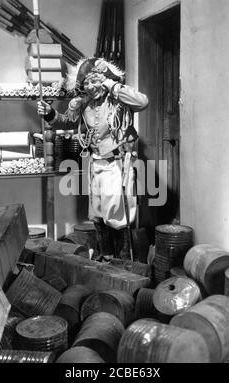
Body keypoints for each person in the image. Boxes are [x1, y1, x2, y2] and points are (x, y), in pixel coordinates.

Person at [37, 57, 148, 260]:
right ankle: (106, 259)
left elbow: (142, 102)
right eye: (86, 82)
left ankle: (122, 263)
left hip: (117, 163)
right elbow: (67, 121)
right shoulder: (85, 104)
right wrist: (50, 113)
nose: (90, 86)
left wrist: (110, 83)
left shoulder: (119, 99)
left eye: (94, 80)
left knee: (117, 215)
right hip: (95, 164)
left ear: (104, 79)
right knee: (98, 214)